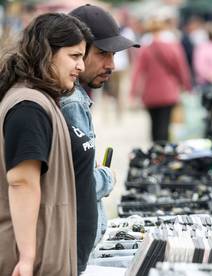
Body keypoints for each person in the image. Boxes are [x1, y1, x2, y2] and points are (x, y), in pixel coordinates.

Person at [0, 13, 93, 276]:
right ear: (45, 53)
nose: (81, 67)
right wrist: (28, 257)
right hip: (31, 262)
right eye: (74, 56)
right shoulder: (29, 106)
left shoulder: (36, 100)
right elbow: (22, 182)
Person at [60, 4, 140, 251]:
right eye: (103, 53)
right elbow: (72, 186)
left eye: (114, 55)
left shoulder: (74, 97)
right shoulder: (69, 102)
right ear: (77, 51)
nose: (112, 64)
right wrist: (108, 176)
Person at [131, 17, 191, 143]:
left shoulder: (145, 48)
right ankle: (163, 153)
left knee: (154, 125)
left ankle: (155, 152)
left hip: (150, 93)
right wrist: (186, 85)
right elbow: (181, 68)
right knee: (165, 125)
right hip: (169, 91)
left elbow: (138, 71)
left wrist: (133, 92)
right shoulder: (173, 46)